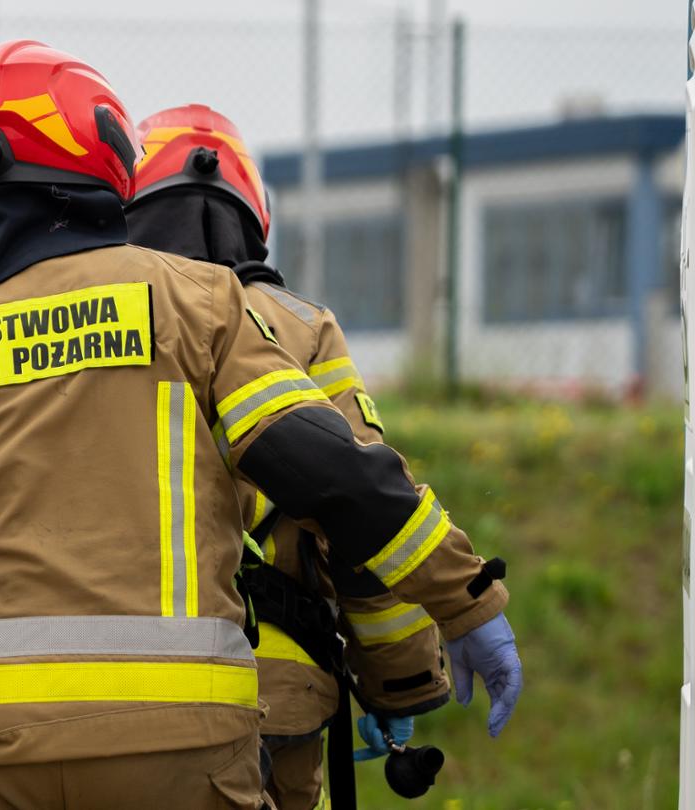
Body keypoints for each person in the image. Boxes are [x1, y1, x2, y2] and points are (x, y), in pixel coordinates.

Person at [0, 40, 522, 810]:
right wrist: (464, 600)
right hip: (184, 761)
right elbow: (338, 476)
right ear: (104, 158)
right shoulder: (201, 304)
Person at [126, 104, 461, 809]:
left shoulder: (101, 324)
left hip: (115, 693)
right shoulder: (305, 327)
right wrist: (397, 683)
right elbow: (357, 511)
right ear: (255, 216)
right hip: (278, 689)